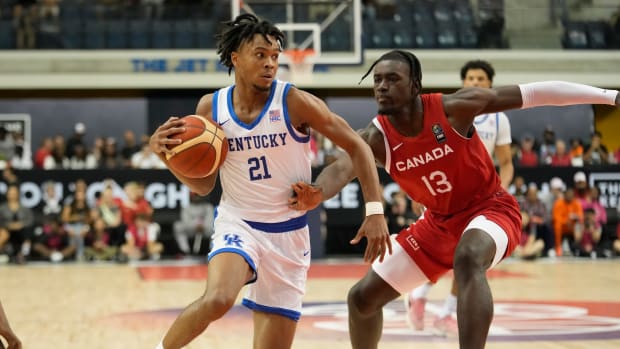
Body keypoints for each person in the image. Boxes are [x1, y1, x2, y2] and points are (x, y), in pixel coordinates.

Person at [290, 49, 620, 349]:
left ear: (414, 85)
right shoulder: (375, 137)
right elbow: (341, 169)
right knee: (361, 299)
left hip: (490, 209)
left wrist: (609, 96)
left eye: (393, 79)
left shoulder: (453, 109)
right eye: (377, 80)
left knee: (468, 257)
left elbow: (535, 93)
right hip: (436, 224)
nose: (382, 86)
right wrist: (317, 193)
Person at [148, 14, 389, 349]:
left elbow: (358, 146)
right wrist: (166, 156)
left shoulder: (294, 102)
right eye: (260, 55)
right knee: (218, 298)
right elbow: (203, 186)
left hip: (289, 234)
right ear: (236, 58)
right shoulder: (211, 107)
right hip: (239, 222)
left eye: (275, 56)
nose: (270, 63)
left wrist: (374, 210)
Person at [405, 59, 515, 336]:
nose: (476, 83)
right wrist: (418, 189)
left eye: (481, 79)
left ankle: (446, 313)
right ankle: (419, 294)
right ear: (463, 83)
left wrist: (502, 190)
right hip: (443, 194)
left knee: (468, 258)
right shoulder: (448, 110)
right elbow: (424, 155)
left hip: (479, 197)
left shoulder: (500, 118)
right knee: (439, 253)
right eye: (471, 79)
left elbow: (507, 163)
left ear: (490, 84)